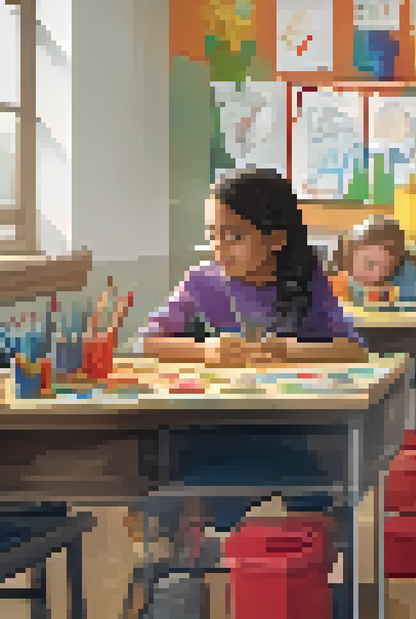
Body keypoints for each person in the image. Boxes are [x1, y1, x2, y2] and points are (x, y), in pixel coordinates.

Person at [131, 168, 359, 617]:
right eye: (212, 234)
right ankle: (182, 575)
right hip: (219, 428)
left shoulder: (305, 280)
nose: (220, 247)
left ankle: (303, 577)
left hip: (294, 430)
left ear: (276, 239)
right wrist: (207, 350)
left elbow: (352, 348)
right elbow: (147, 342)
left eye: (234, 236)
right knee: (161, 477)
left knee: (321, 486)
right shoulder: (202, 280)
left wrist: (286, 350)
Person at [337, 215, 416, 304]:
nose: (376, 275)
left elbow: (411, 308)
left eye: (386, 267)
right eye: (370, 264)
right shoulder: (340, 281)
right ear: (351, 258)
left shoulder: (408, 276)